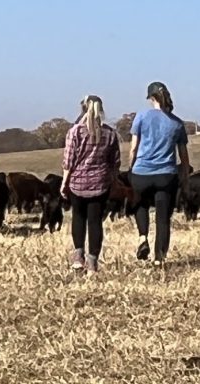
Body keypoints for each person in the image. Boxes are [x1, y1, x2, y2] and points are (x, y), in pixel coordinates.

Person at [129, 81, 189, 267]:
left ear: (151, 98)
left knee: (140, 206)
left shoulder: (141, 117)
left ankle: (142, 237)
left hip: (141, 172)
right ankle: (159, 259)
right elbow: (184, 156)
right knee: (163, 219)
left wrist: (131, 169)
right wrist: (184, 175)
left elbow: (133, 148)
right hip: (166, 174)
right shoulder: (177, 123)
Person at [61, 95, 121, 274]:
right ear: (101, 110)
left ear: (83, 109)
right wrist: (113, 180)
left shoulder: (75, 132)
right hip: (100, 184)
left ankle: (78, 257)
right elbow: (115, 162)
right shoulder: (110, 133)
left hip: (77, 183)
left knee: (78, 218)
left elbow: (68, 161)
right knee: (95, 222)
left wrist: (64, 182)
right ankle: (93, 262)